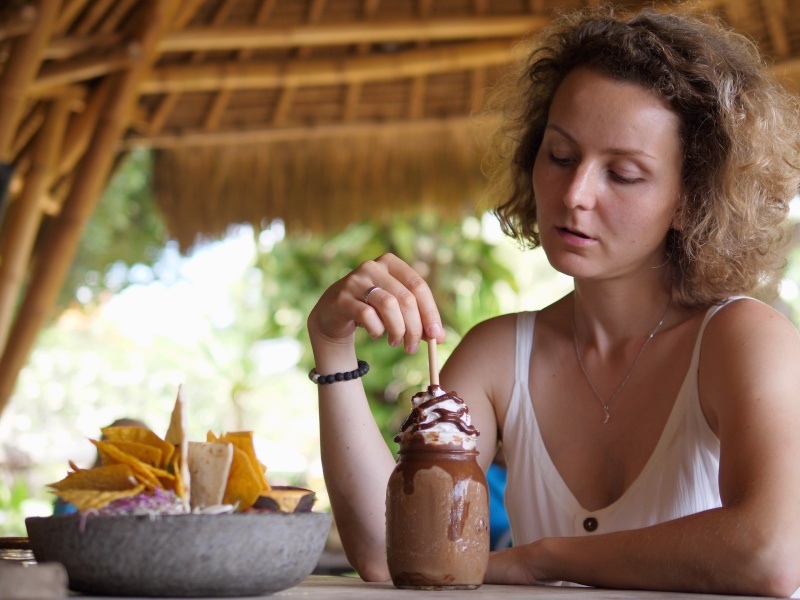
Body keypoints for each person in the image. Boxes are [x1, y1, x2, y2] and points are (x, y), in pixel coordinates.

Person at [306, 6, 800, 597]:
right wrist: (333, 348)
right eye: (561, 156)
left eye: (622, 173)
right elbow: (393, 557)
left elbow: (774, 552)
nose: (574, 193)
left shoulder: (742, 338)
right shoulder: (498, 354)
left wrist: (541, 560)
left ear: (691, 200)